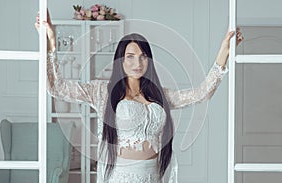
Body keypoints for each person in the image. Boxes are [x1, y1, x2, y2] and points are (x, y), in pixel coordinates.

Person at [35, 11, 243, 183]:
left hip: (153, 176)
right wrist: (50, 45)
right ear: (120, 61)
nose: (138, 63)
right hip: (120, 176)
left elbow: (202, 94)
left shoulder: (160, 95)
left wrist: (223, 52)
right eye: (130, 57)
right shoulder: (102, 92)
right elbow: (56, 87)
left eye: (143, 57)